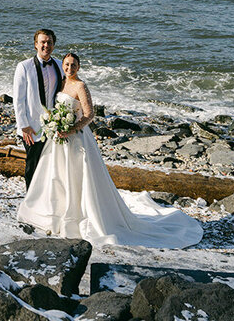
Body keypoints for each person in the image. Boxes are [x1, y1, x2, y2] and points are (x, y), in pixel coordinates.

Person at [17, 53, 203, 248]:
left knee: (78, 178)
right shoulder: (61, 83)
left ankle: (78, 217)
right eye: (66, 64)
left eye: (73, 65)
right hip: (59, 140)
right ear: (62, 65)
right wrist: (56, 125)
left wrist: (70, 129)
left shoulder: (80, 86)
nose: (69, 68)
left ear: (78, 67)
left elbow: (89, 115)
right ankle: (57, 214)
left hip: (76, 139)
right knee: (58, 177)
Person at [12, 28, 63, 189]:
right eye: (42, 42)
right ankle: (30, 201)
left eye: (49, 42)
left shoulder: (60, 65)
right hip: (31, 128)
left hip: (53, 126)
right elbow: (18, 99)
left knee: (50, 165)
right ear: (36, 45)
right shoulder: (24, 67)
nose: (46, 45)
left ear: (53, 45)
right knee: (32, 166)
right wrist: (23, 126)